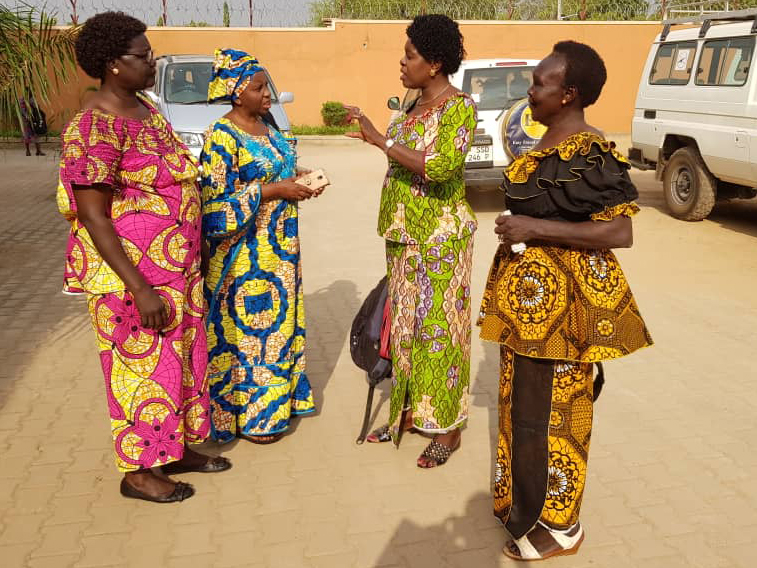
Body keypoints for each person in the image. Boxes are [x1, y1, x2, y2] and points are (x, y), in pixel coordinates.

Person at [477, 41, 653, 559]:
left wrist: (532, 225)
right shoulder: (545, 140)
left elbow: (620, 232)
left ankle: (561, 526)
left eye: (539, 83)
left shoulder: (589, 151)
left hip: (565, 310)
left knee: (557, 412)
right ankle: (524, 507)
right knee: (523, 408)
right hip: (527, 307)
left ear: (569, 93)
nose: (530, 91)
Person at [56, 12, 230, 504]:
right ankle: (139, 473)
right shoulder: (93, 126)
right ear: (113, 64)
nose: (152, 62)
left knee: (181, 365)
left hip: (177, 273)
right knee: (141, 376)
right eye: (143, 55)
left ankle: (173, 448)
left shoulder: (145, 110)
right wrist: (139, 286)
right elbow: (93, 215)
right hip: (133, 283)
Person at [345, 14, 478, 468]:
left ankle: (447, 428)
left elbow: (440, 166)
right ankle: (407, 412)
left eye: (411, 56)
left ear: (436, 63)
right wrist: (371, 132)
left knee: (441, 333)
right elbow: (401, 160)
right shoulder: (411, 106)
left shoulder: (459, 107)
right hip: (403, 236)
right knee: (403, 330)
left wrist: (382, 142)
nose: (402, 63)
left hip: (442, 240)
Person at [200, 49, 319, 444]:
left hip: (280, 254)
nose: (268, 93)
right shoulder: (221, 136)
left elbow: (278, 168)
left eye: (267, 85)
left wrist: (301, 178)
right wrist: (273, 191)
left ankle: (277, 407)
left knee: (279, 334)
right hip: (243, 260)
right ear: (236, 92)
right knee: (248, 339)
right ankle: (250, 418)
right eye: (258, 87)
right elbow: (213, 208)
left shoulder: (267, 127)